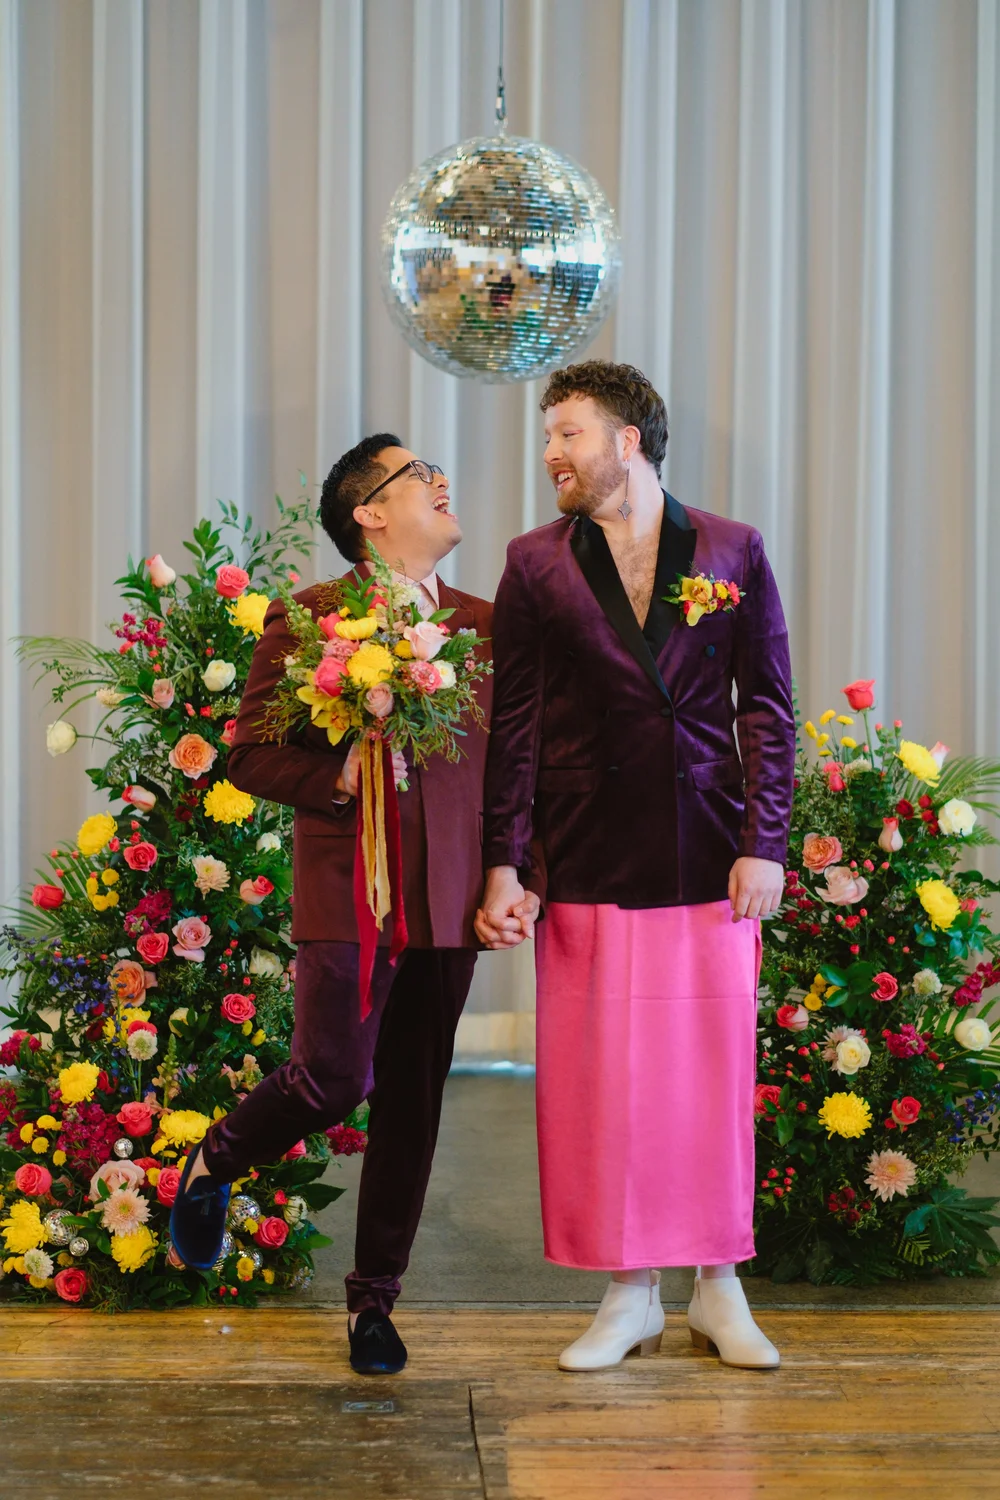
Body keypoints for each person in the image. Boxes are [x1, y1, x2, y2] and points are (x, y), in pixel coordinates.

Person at [476, 361, 795, 1372]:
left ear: (626, 441)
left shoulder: (733, 548)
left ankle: (717, 1287)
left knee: (706, 1073)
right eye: (547, 434)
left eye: (567, 432)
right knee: (600, 1079)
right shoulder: (533, 563)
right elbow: (512, 727)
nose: (550, 453)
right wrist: (504, 864)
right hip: (583, 852)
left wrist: (767, 842)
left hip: (708, 845)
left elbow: (767, 707)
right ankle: (628, 1292)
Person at [170, 436, 494, 1375]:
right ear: (369, 512)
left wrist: (519, 874)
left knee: (413, 1102)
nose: (441, 480)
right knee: (334, 1078)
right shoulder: (312, 617)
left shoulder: (483, 624)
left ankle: (373, 1304)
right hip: (349, 889)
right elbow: (249, 756)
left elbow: (514, 770)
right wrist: (339, 774)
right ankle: (218, 1159)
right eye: (418, 472)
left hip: (448, 900)